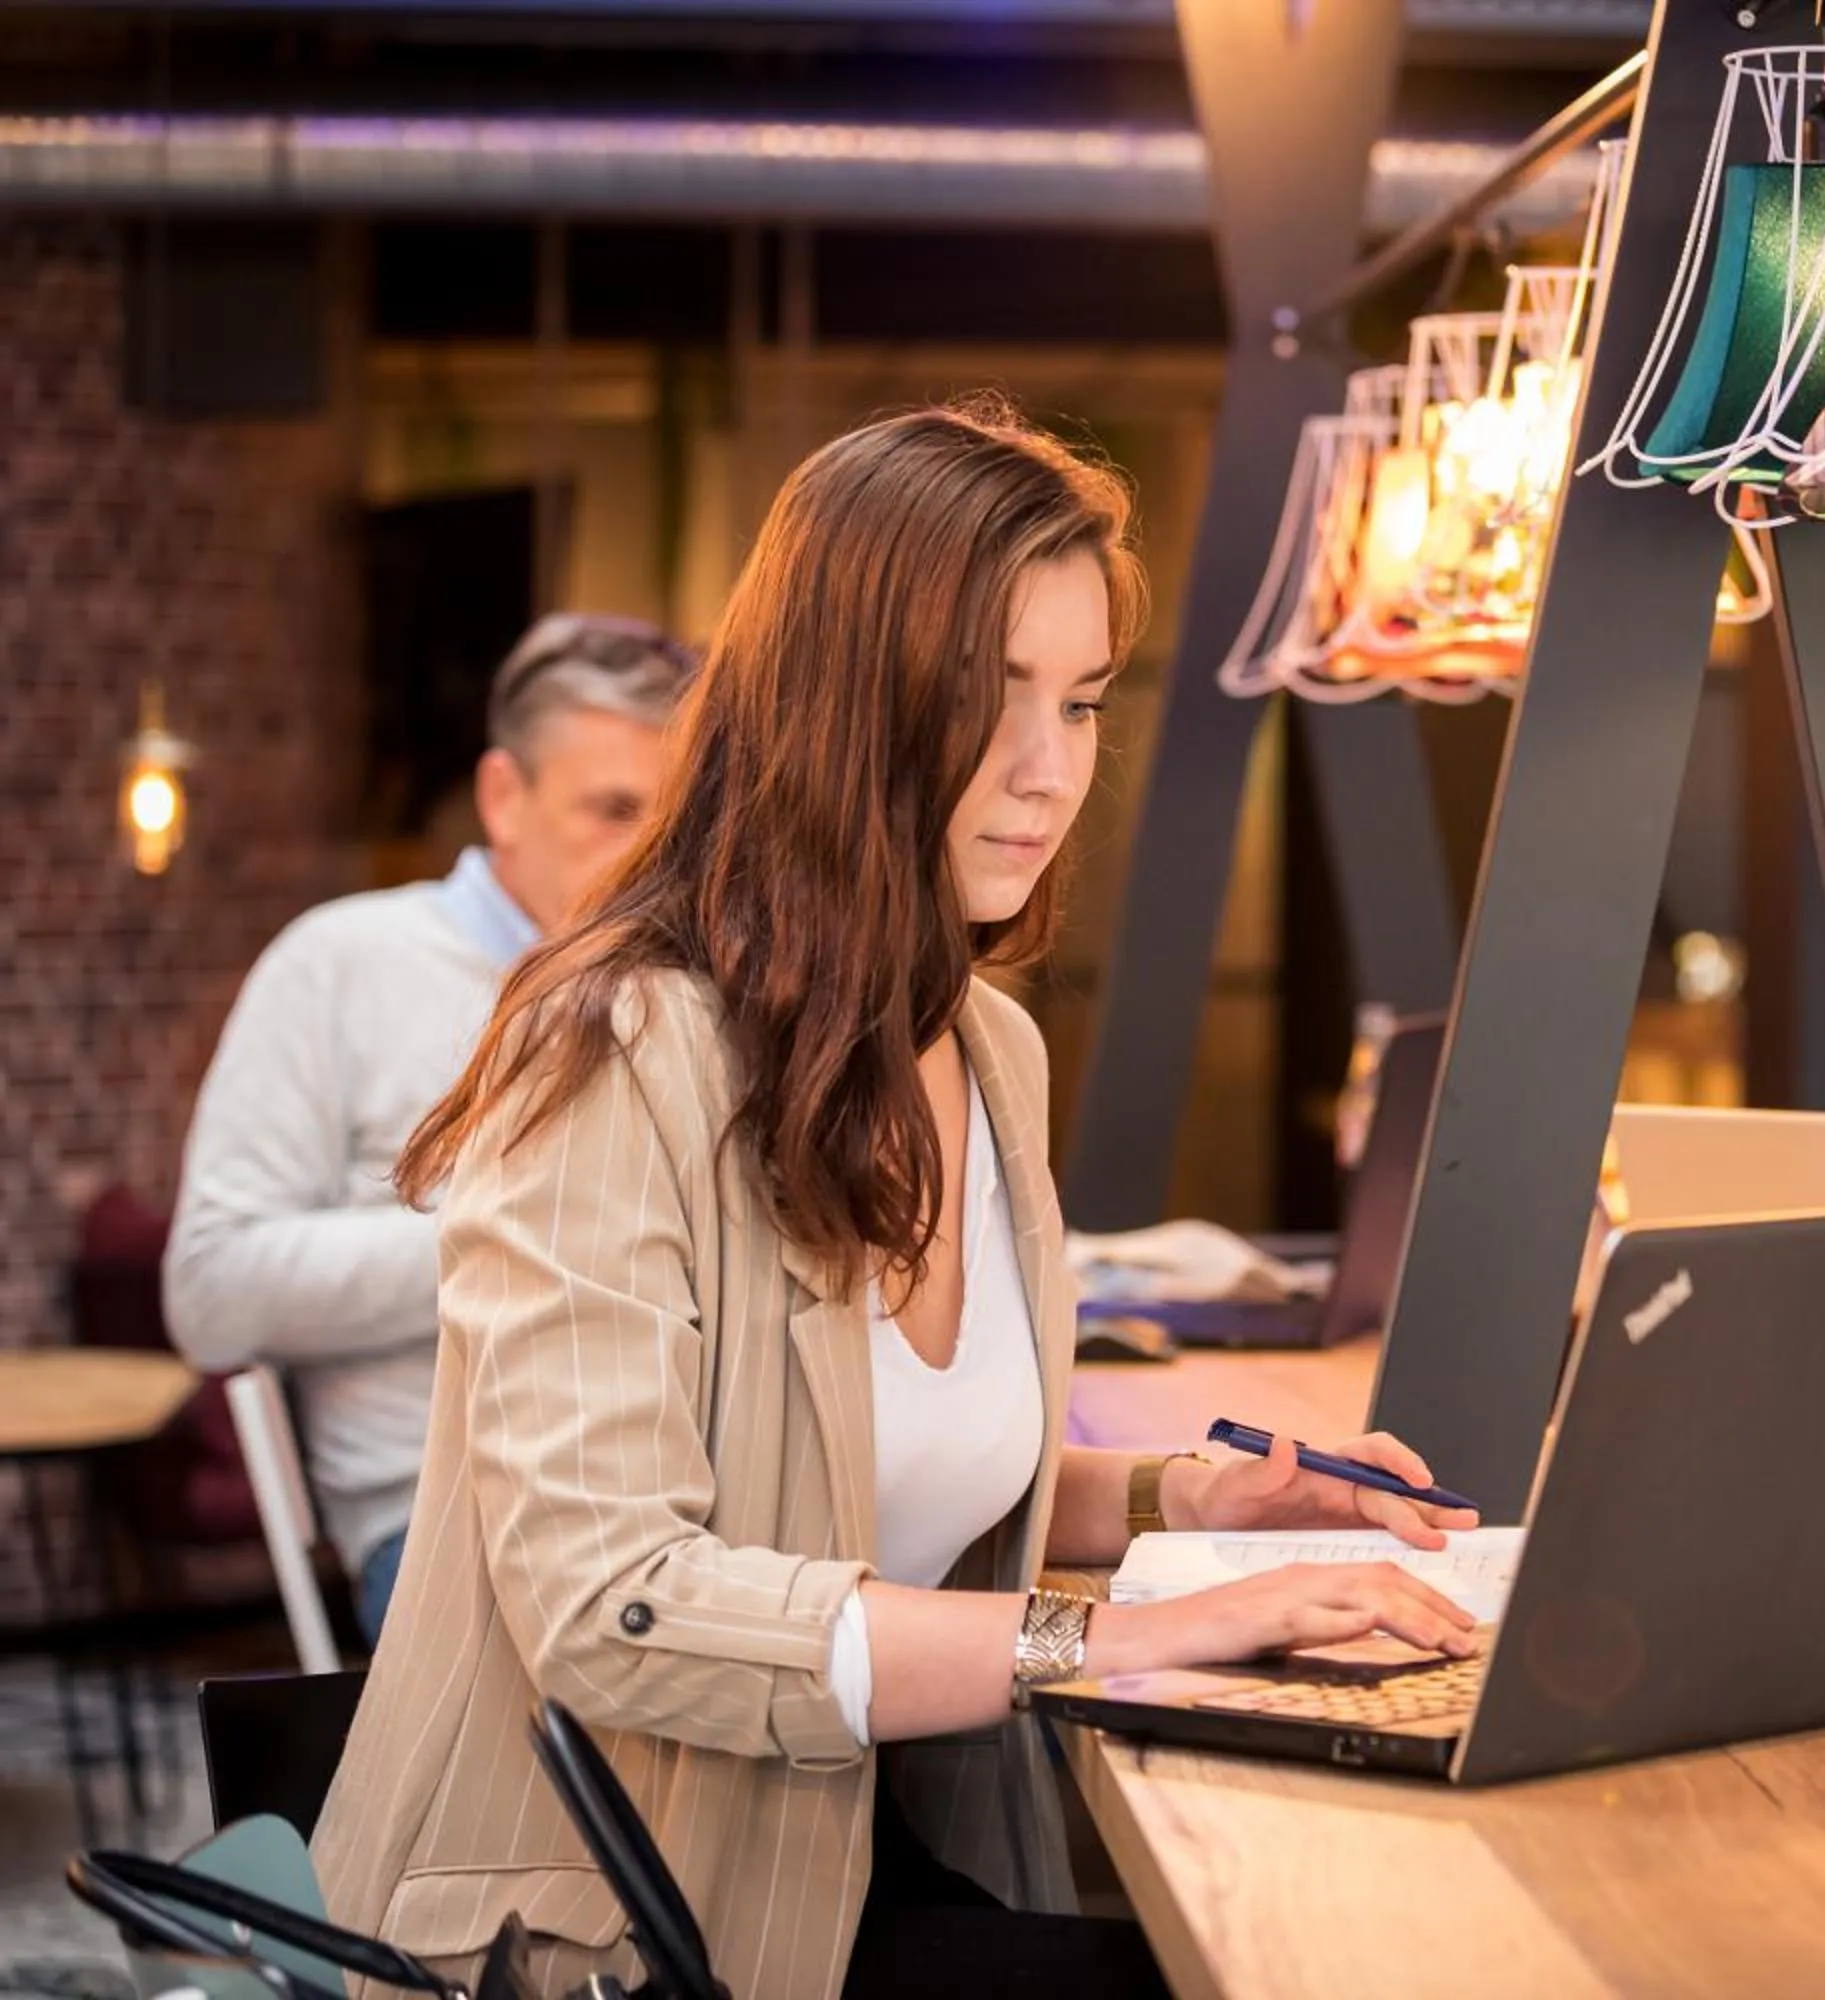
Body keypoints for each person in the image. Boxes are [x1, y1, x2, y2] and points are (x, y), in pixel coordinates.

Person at [310, 401, 1481, 2000]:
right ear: (835, 705)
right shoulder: (613, 1052)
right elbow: (613, 1601)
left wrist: (1187, 1504)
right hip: (596, 1937)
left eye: (1079, 702)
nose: (1051, 771)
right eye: (986, 702)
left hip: (831, 1863)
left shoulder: (989, 1048)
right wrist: (1121, 1640)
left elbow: (869, 1464)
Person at [165, 613, 692, 1640]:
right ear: (504, 796)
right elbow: (211, 1287)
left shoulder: (698, 988)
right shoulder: (341, 965)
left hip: (695, 1505)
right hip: (451, 1521)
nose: (652, 861)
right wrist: (527, 1234)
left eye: (676, 821)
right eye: (615, 810)